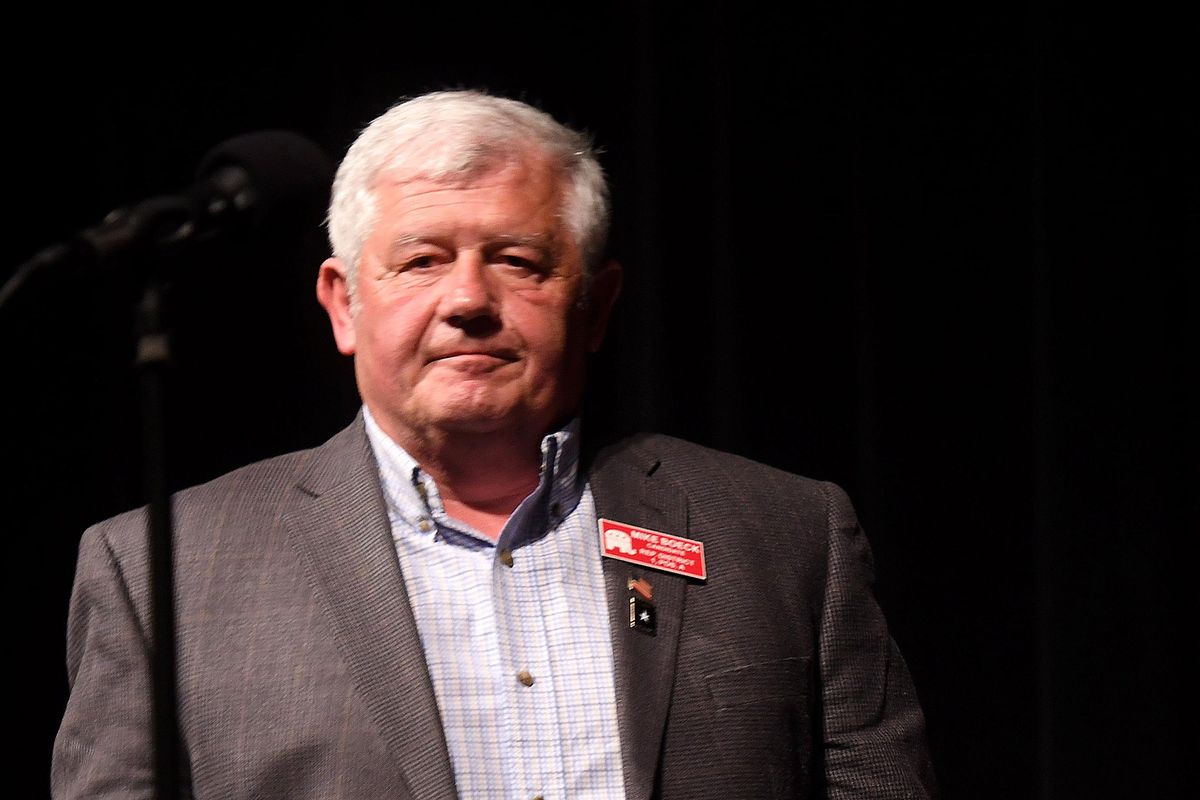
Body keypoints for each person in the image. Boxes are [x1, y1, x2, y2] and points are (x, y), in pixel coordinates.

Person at [52, 90, 937, 799]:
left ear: (595, 305)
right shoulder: (161, 571)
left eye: (517, 259)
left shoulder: (785, 534)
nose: (468, 299)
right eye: (422, 260)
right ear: (342, 303)